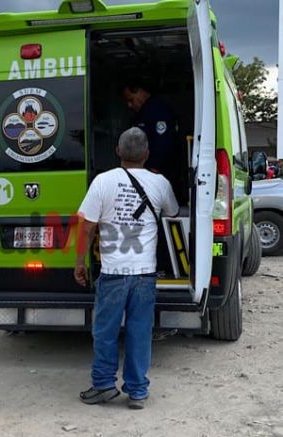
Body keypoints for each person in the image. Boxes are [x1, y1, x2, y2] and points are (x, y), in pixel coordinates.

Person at [75, 127, 179, 410]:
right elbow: (172, 212)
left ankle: (104, 386)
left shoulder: (102, 182)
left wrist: (80, 262)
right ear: (146, 154)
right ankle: (137, 392)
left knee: (105, 332)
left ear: (118, 151)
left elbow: (87, 227)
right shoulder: (160, 183)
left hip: (113, 273)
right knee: (140, 332)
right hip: (145, 274)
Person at [122, 82, 177, 182]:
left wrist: (155, 167)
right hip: (144, 171)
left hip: (157, 172)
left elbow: (164, 143)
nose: (129, 105)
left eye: (131, 99)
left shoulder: (158, 110)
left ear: (140, 91)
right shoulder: (140, 114)